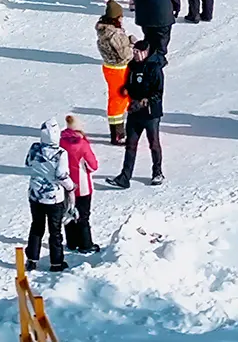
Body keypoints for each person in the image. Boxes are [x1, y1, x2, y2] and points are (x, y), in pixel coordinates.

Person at [109, 48, 167, 187]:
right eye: (133, 52)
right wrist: (126, 89)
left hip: (150, 115)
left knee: (153, 144)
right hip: (134, 113)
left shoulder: (155, 68)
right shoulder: (132, 67)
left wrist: (144, 101)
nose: (134, 54)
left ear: (145, 52)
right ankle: (124, 177)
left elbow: (158, 93)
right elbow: (130, 83)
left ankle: (157, 173)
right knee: (130, 145)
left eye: (137, 52)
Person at [26, 122, 70, 272]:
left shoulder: (35, 148)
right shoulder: (61, 154)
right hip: (54, 198)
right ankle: (56, 262)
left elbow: (28, 163)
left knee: (37, 226)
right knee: (55, 230)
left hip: (35, 194)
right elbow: (61, 176)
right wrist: (71, 187)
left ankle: (32, 259)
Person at [60, 115, 102, 253]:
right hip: (82, 186)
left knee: (68, 213)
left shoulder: (60, 141)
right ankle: (86, 244)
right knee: (83, 216)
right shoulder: (82, 144)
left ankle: (72, 242)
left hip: (65, 186)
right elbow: (92, 166)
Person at [96, 0, 136, 145]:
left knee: (118, 99)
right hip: (119, 69)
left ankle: (118, 132)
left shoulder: (104, 31)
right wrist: (132, 44)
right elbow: (125, 55)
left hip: (109, 68)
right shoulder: (115, 34)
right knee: (119, 100)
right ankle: (118, 134)